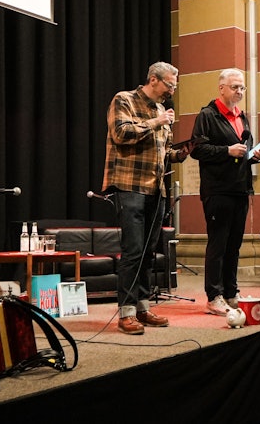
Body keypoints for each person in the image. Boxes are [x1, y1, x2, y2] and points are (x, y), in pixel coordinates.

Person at [102, 62, 192, 334]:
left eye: (175, 86)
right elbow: (121, 133)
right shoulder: (124, 99)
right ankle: (126, 312)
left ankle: (142, 307)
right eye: (170, 85)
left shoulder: (161, 110)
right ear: (153, 79)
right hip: (130, 186)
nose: (172, 91)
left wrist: (182, 153)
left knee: (148, 253)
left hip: (156, 189)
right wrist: (156, 122)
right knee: (133, 250)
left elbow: (164, 152)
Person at [190, 69, 260, 316]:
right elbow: (196, 150)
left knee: (234, 245)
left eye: (242, 87)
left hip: (240, 189)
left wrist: (255, 156)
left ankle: (231, 293)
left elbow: (244, 151)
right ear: (221, 88)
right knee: (218, 244)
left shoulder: (242, 117)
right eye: (235, 87)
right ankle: (214, 296)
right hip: (218, 189)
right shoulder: (207, 115)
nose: (239, 91)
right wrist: (227, 151)